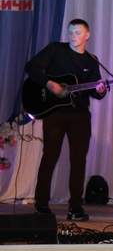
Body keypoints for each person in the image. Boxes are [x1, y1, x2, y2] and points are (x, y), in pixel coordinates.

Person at [25, 18, 107, 221]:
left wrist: (100, 90)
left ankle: (75, 207)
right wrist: (49, 83)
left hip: (80, 115)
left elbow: (94, 91)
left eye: (77, 32)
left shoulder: (91, 60)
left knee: (78, 161)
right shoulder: (56, 50)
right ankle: (41, 204)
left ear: (87, 35)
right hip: (55, 113)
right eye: (70, 32)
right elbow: (31, 66)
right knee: (49, 157)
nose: (73, 36)